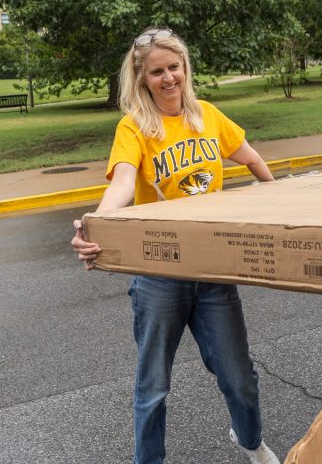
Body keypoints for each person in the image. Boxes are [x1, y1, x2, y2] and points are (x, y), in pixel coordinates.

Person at [71, 27, 280, 464]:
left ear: (185, 68)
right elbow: (124, 182)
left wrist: (280, 200)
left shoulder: (207, 116)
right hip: (159, 273)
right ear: (141, 78)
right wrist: (97, 225)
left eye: (174, 67)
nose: (168, 78)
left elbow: (251, 157)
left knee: (238, 376)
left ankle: (250, 442)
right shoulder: (135, 127)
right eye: (157, 72)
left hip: (213, 269)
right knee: (153, 386)